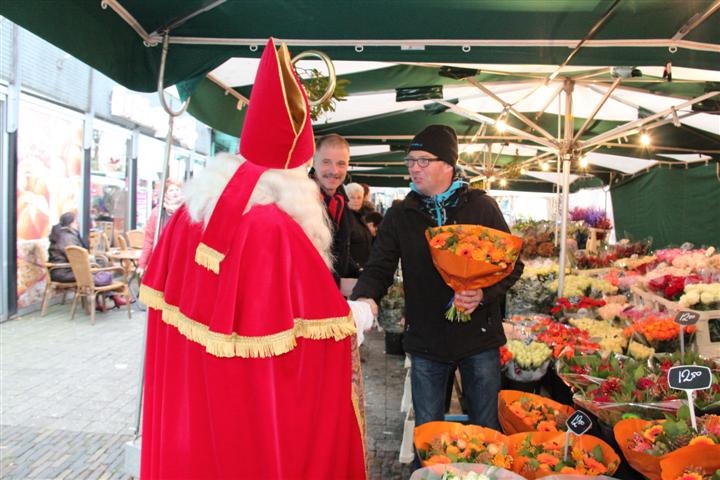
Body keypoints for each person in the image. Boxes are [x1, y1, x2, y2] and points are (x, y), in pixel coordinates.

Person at [138, 39, 366, 479]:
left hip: (189, 410)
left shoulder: (189, 213)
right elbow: (320, 340)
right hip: (246, 422)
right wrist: (359, 315)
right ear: (294, 175)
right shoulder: (277, 230)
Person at [351, 124, 523, 431]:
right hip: (426, 340)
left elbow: (512, 265)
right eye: (410, 161)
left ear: (448, 164)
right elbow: (379, 266)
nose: (414, 168)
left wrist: (483, 294)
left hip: (479, 338)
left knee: (485, 430)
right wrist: (365, 298)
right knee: (428, 432)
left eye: (423, 161)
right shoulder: (401, 214)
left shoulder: (482, 207)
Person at [48, 211, 125, 310]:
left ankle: (109, 298)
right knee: (98, 275)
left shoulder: (62, 234)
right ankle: (112, 296)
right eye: (76, 222)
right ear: (70, 224)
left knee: (98, 271)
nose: (78, 224)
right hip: (64, 272)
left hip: (63, 270)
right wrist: (90, 261)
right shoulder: (67, 238)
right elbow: (76, 257)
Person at [310, 133, 358, 283]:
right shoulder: (299, 202)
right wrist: (338, 284)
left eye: (341, 164)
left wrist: (361, 275)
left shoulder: (341, 201)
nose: (334, 171)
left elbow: (342, 253)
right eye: (326, 162)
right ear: (313, 162)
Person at [137, 179, 183, 275]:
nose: (175, 193)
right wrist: (142, 264)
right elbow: (149, 240)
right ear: (165, 194)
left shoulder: (187, 212)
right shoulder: (157, 213)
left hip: (180, 259)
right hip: (161, 258)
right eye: (171, 190)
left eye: (177, 189)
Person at [345, 182, 374, 272]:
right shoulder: (345, 218)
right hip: (351, 272)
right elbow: (343, 249)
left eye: (359, 197)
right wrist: (357, 268)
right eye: (352, 197)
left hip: (363, 268)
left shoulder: (361, 217)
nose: (356, 200)